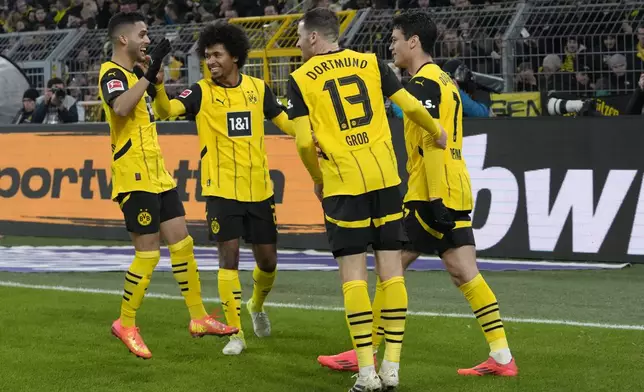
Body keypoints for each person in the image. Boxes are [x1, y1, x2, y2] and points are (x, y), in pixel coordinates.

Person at [317, 11, 519, 377]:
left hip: (430, 192)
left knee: (389, 270)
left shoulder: (423, 85)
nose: (390, 46)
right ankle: (502, 356)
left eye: (395, 40)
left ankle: (365, 351)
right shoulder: (442, 79)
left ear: (413, 41)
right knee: (463, 272)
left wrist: (434, 199)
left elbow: (430, 139)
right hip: (452, 188)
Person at [288, 8, 448, 392]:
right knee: (391, 272)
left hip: (344, 184)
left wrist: (317, 179)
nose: (296, 43)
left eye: (298, 36)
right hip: (385, 179)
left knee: (354, 278)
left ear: (313, 38)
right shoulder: (371, 63)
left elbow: (304, 141)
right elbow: (410, 104)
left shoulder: (298, 80)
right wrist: (436, 130)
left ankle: (366, 372)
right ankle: (392, 366)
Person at [98, 12, 238, 359]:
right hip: (133, 176)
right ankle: (125, 323)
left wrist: (154, 79)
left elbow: (158, 111)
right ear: (123, 40)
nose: (148, 40)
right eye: (143, 34)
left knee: (183, 243)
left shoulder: (134, 75)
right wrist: (149, 72)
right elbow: (120, 108)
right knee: (147, 255)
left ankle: (197, 317)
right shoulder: (111, 73)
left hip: (157, 174)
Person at [154, 22, 295, 356]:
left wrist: (310, 138)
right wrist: (159, 89)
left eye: (217, 54)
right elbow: (166, 110)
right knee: (227, 258)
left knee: (268, 261)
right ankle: (237, 333)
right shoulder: (201, 91)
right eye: (207, 55)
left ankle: (256, 306)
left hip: (260, 190)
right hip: (220, 191)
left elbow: (284, 121)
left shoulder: (258, 89)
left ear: (235, 57)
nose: (211, 61)